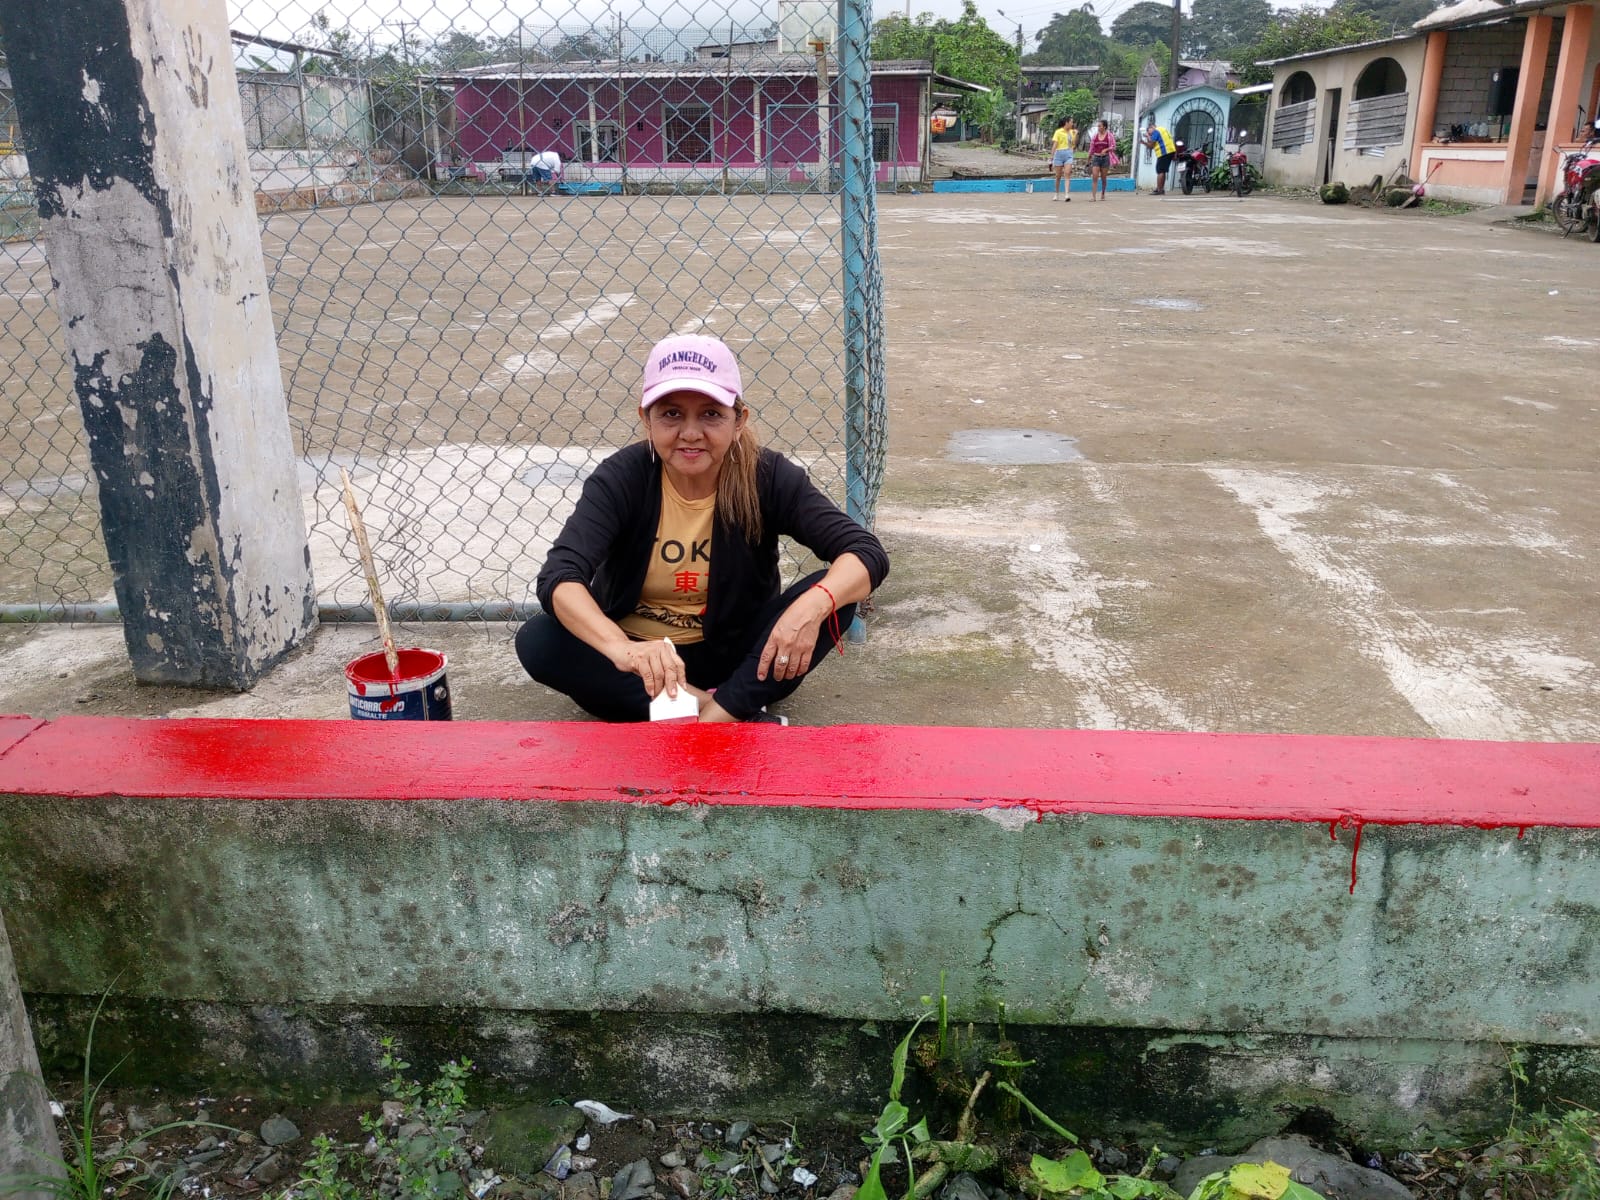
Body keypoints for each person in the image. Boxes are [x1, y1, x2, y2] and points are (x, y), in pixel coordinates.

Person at [516, 334, 889, 725]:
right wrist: (623, 650)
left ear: (739, 421)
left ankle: (709, 710)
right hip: (643, 664)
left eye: (710, 414)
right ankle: (727, 714)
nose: (690, 433)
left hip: (736, 659)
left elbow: (865, 552)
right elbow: (560, 576)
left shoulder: (767, 476)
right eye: (671, 414)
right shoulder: (622, 477)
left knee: (835, 598)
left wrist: (810, 609)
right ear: (646, 419)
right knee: (540, 640)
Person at [1142, 115, 1175, 196]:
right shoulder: (1163, 130)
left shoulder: (1156, 131)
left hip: (1164, 152)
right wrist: (1148, 138)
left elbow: (1151, 145)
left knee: (1160, 170)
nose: (1149, 133)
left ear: (1152, 127)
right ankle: (1160, 189)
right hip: (1170, 151)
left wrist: (1144, 141)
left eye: (1149, 130)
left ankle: (1159, 190)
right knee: (1162, 170)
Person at [1050, 117, 1077, 202]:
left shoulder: (1072, 132)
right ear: (1066, 123)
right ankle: (1056, 193)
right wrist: (1051, 157)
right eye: (1071, 122)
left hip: (1068, 153)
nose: (1072, 124)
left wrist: (1075, 135)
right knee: (1058, 176)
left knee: (1067, 173)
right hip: (1059, 154)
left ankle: (1066, 194)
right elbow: (1055, 144)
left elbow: (1073, 144)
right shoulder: (1058, 132)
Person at [1087, 119, 1115, 201]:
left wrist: (1106, 149)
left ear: (1104, 127)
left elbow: (1113, 146)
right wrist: (1088, 159)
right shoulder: (1095, 136)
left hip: (1105, 158)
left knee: (1103, 177)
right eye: (1098, 126)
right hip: (1096, 157)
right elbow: (1091, 148)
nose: (1098, 127)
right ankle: (1093, 196)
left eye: (1100, 126)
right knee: (1094, 177)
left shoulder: (1109, 136)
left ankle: (1103, 193)